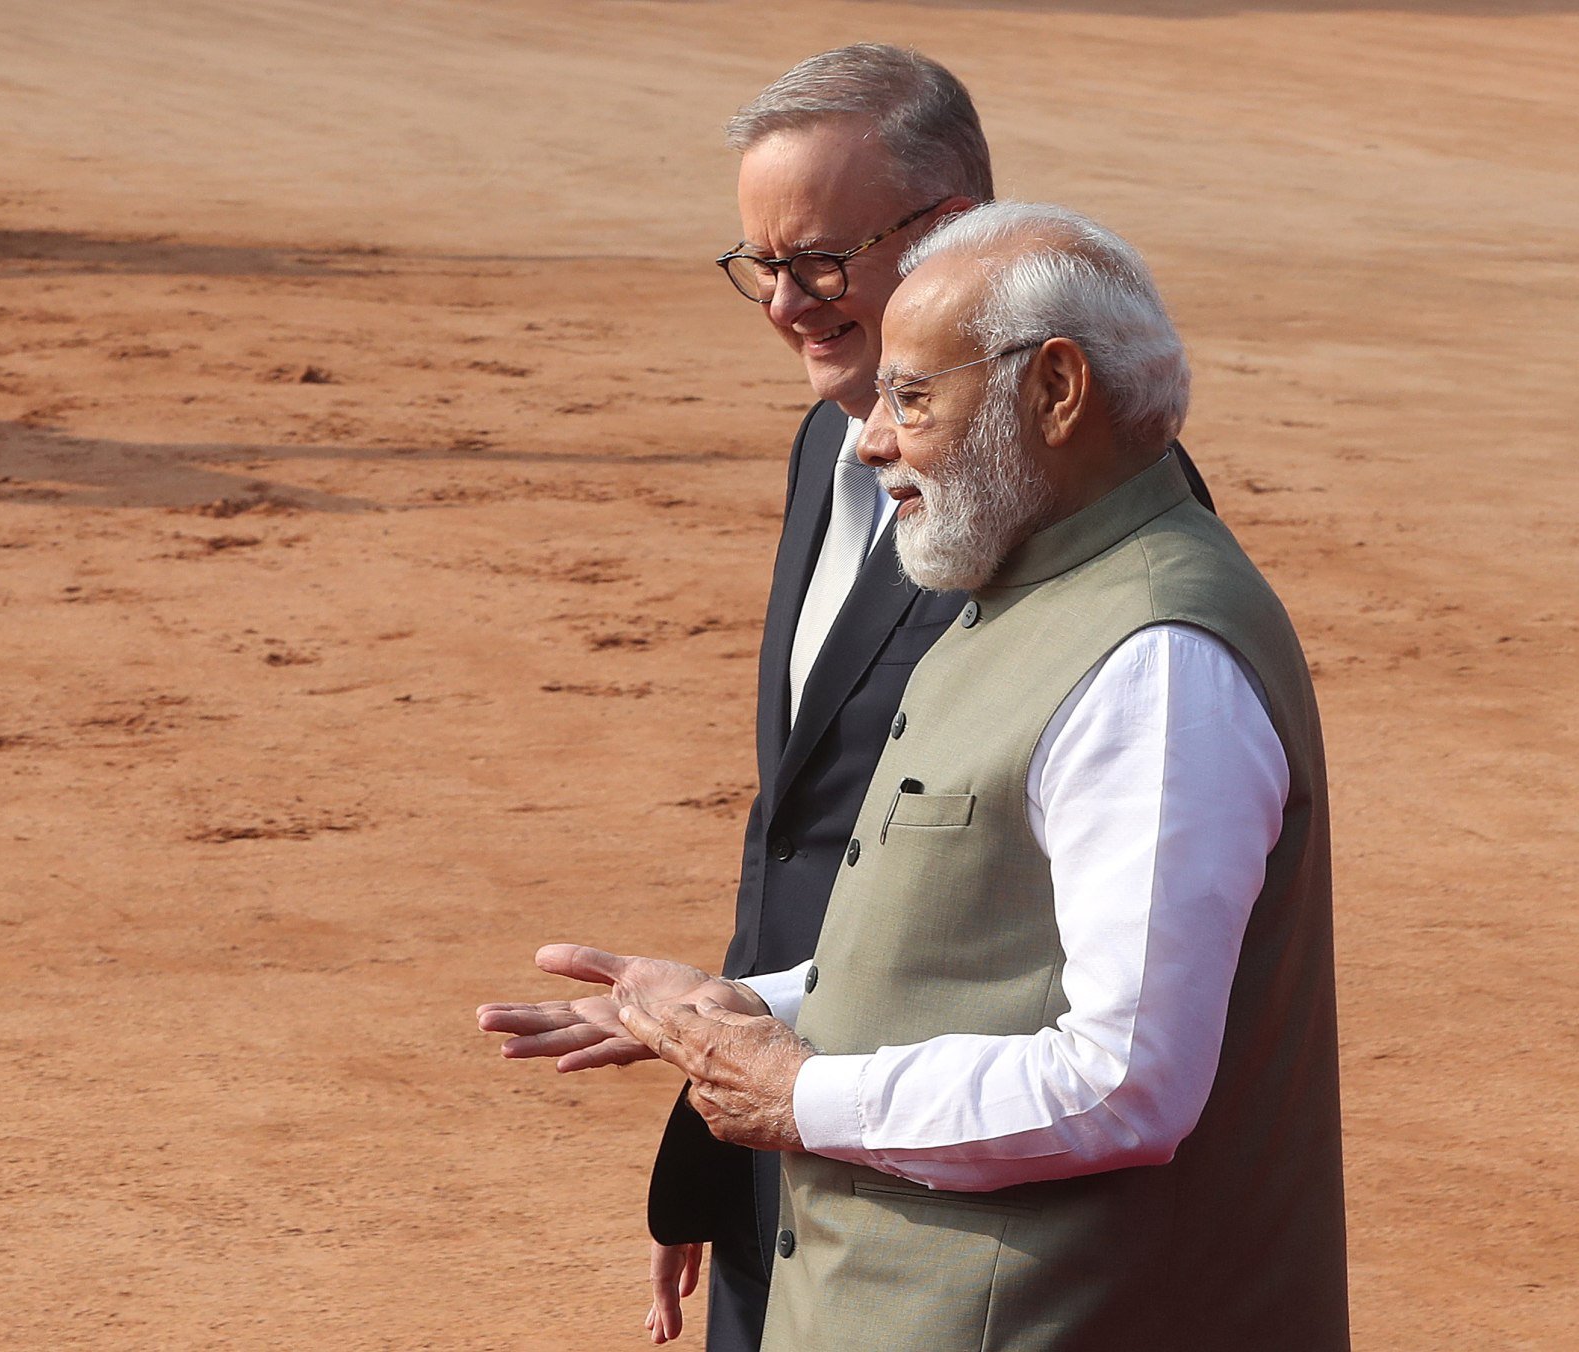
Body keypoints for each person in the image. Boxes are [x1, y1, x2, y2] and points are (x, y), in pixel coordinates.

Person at [480, 203, 1347, 1350]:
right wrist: (738, 1010)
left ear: (1055, 390)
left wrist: (798, 1092)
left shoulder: (1153, 662)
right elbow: (984, 955)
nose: (872, 439)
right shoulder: (1029, 591)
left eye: (914, 397)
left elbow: (1124, 1078)